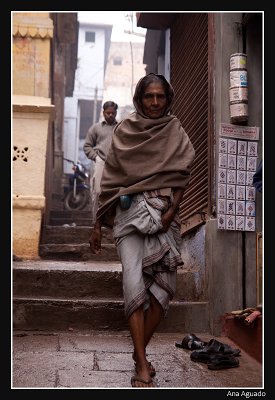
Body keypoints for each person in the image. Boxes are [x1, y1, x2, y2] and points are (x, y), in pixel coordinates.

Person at [89, 73, 195, 388]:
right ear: (139, 99)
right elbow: (108, 179)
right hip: (128, 216)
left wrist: (172, 212)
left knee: (164, 293)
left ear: (168, 99)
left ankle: (139, 353)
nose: (154, 102)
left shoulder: (175, 131)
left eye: (160, 96)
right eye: (149, 96)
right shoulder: (125, 131)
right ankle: (142, 366)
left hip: (164, 216)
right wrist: (96, 223)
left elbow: (182, 177)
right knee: (133, 286)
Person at [83, 101, 118, 224]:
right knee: (98, 191)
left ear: (116, 113)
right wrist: (96, 157)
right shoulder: (96, 128)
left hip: (116, 165)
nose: (110, 115)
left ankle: (110, 222)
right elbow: (87, 146)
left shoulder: (120, 128)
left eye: (113, 113)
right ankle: (96, 222)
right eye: (108, 113)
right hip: (100, 162)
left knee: (114, 193)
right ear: (103, 113)